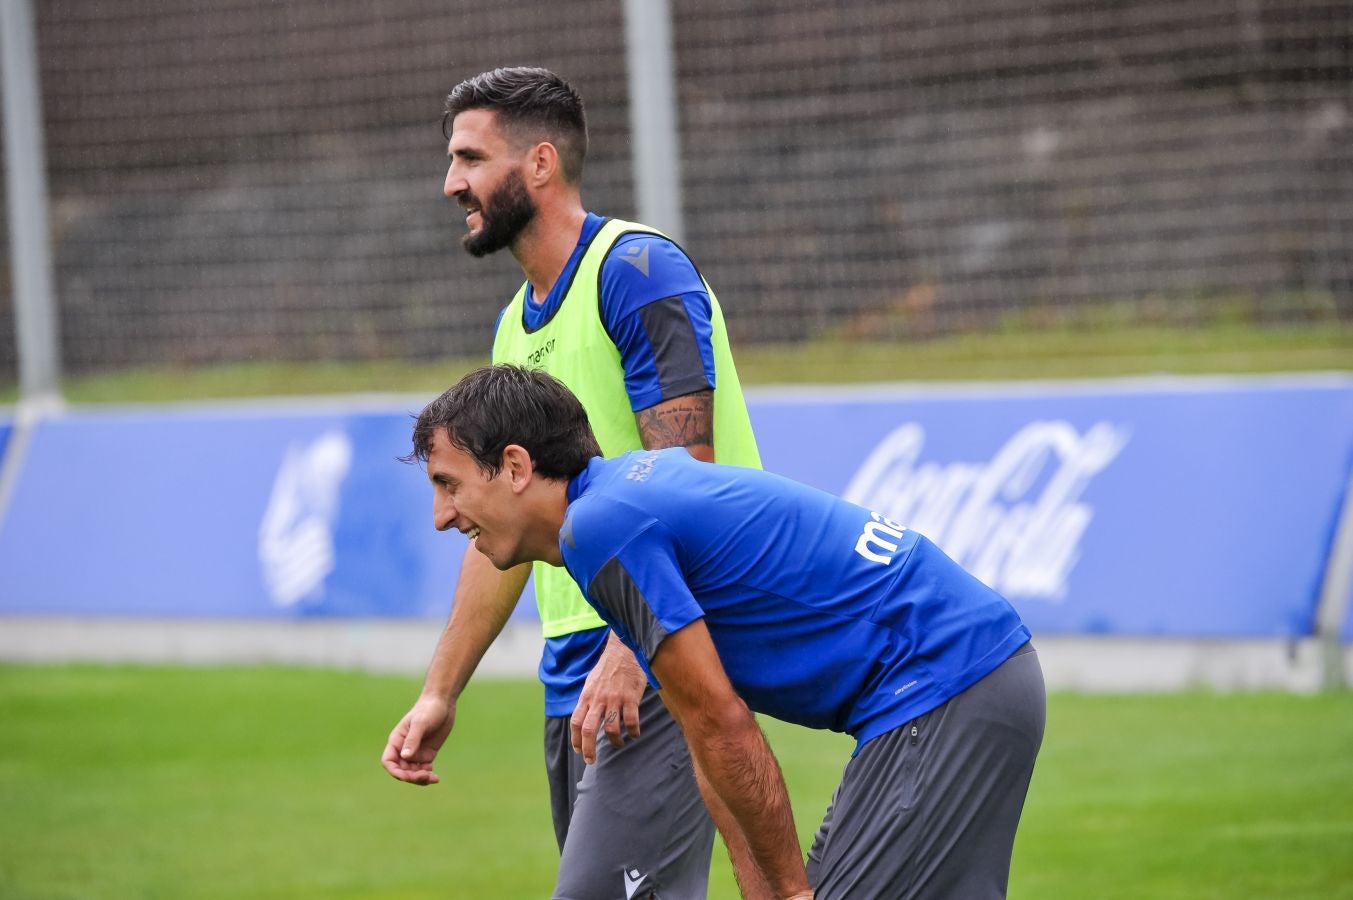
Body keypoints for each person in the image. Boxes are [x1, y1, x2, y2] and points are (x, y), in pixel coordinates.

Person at [403, 364, 1047, 900]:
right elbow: (702, 732)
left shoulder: (600, 528)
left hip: (944, 684)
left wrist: (793, 892)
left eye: (448, 485)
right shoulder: (615, 501)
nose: (440, 517)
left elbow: (722, 722)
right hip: (968, 678)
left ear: (515, 467)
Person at [379, 67, 766, 899]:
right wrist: (440, 691)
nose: (451, 183)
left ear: (541, 163)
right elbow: (498, 528)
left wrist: (635, 647)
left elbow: (685, 477)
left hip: (663, 646)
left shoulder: (635, 272)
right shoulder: (512, 329)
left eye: (470, 159)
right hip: (572, 671)